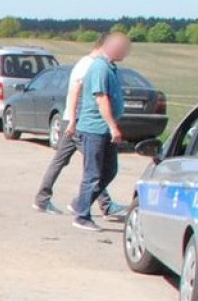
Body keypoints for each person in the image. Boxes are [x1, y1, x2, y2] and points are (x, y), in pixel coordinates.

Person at [32, 33, 125, 217]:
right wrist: (73, 122)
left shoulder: (90, 64)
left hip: (76, 121)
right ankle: (99, 205)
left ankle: (42, 198)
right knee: (96, 166)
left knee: (65, 161)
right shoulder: (89, 65)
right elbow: (75, 93)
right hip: (80, 123)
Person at [70, 32, 131, 232]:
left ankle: (80, 203)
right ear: (111, 47)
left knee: (109, 170)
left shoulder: (109, 67)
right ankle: (81, 216)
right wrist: (113, 126)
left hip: (103, 130)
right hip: (94, 130)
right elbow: (101, 99)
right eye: (123, 47)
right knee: (93, 174)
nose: (126, 51)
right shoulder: (99, 68)